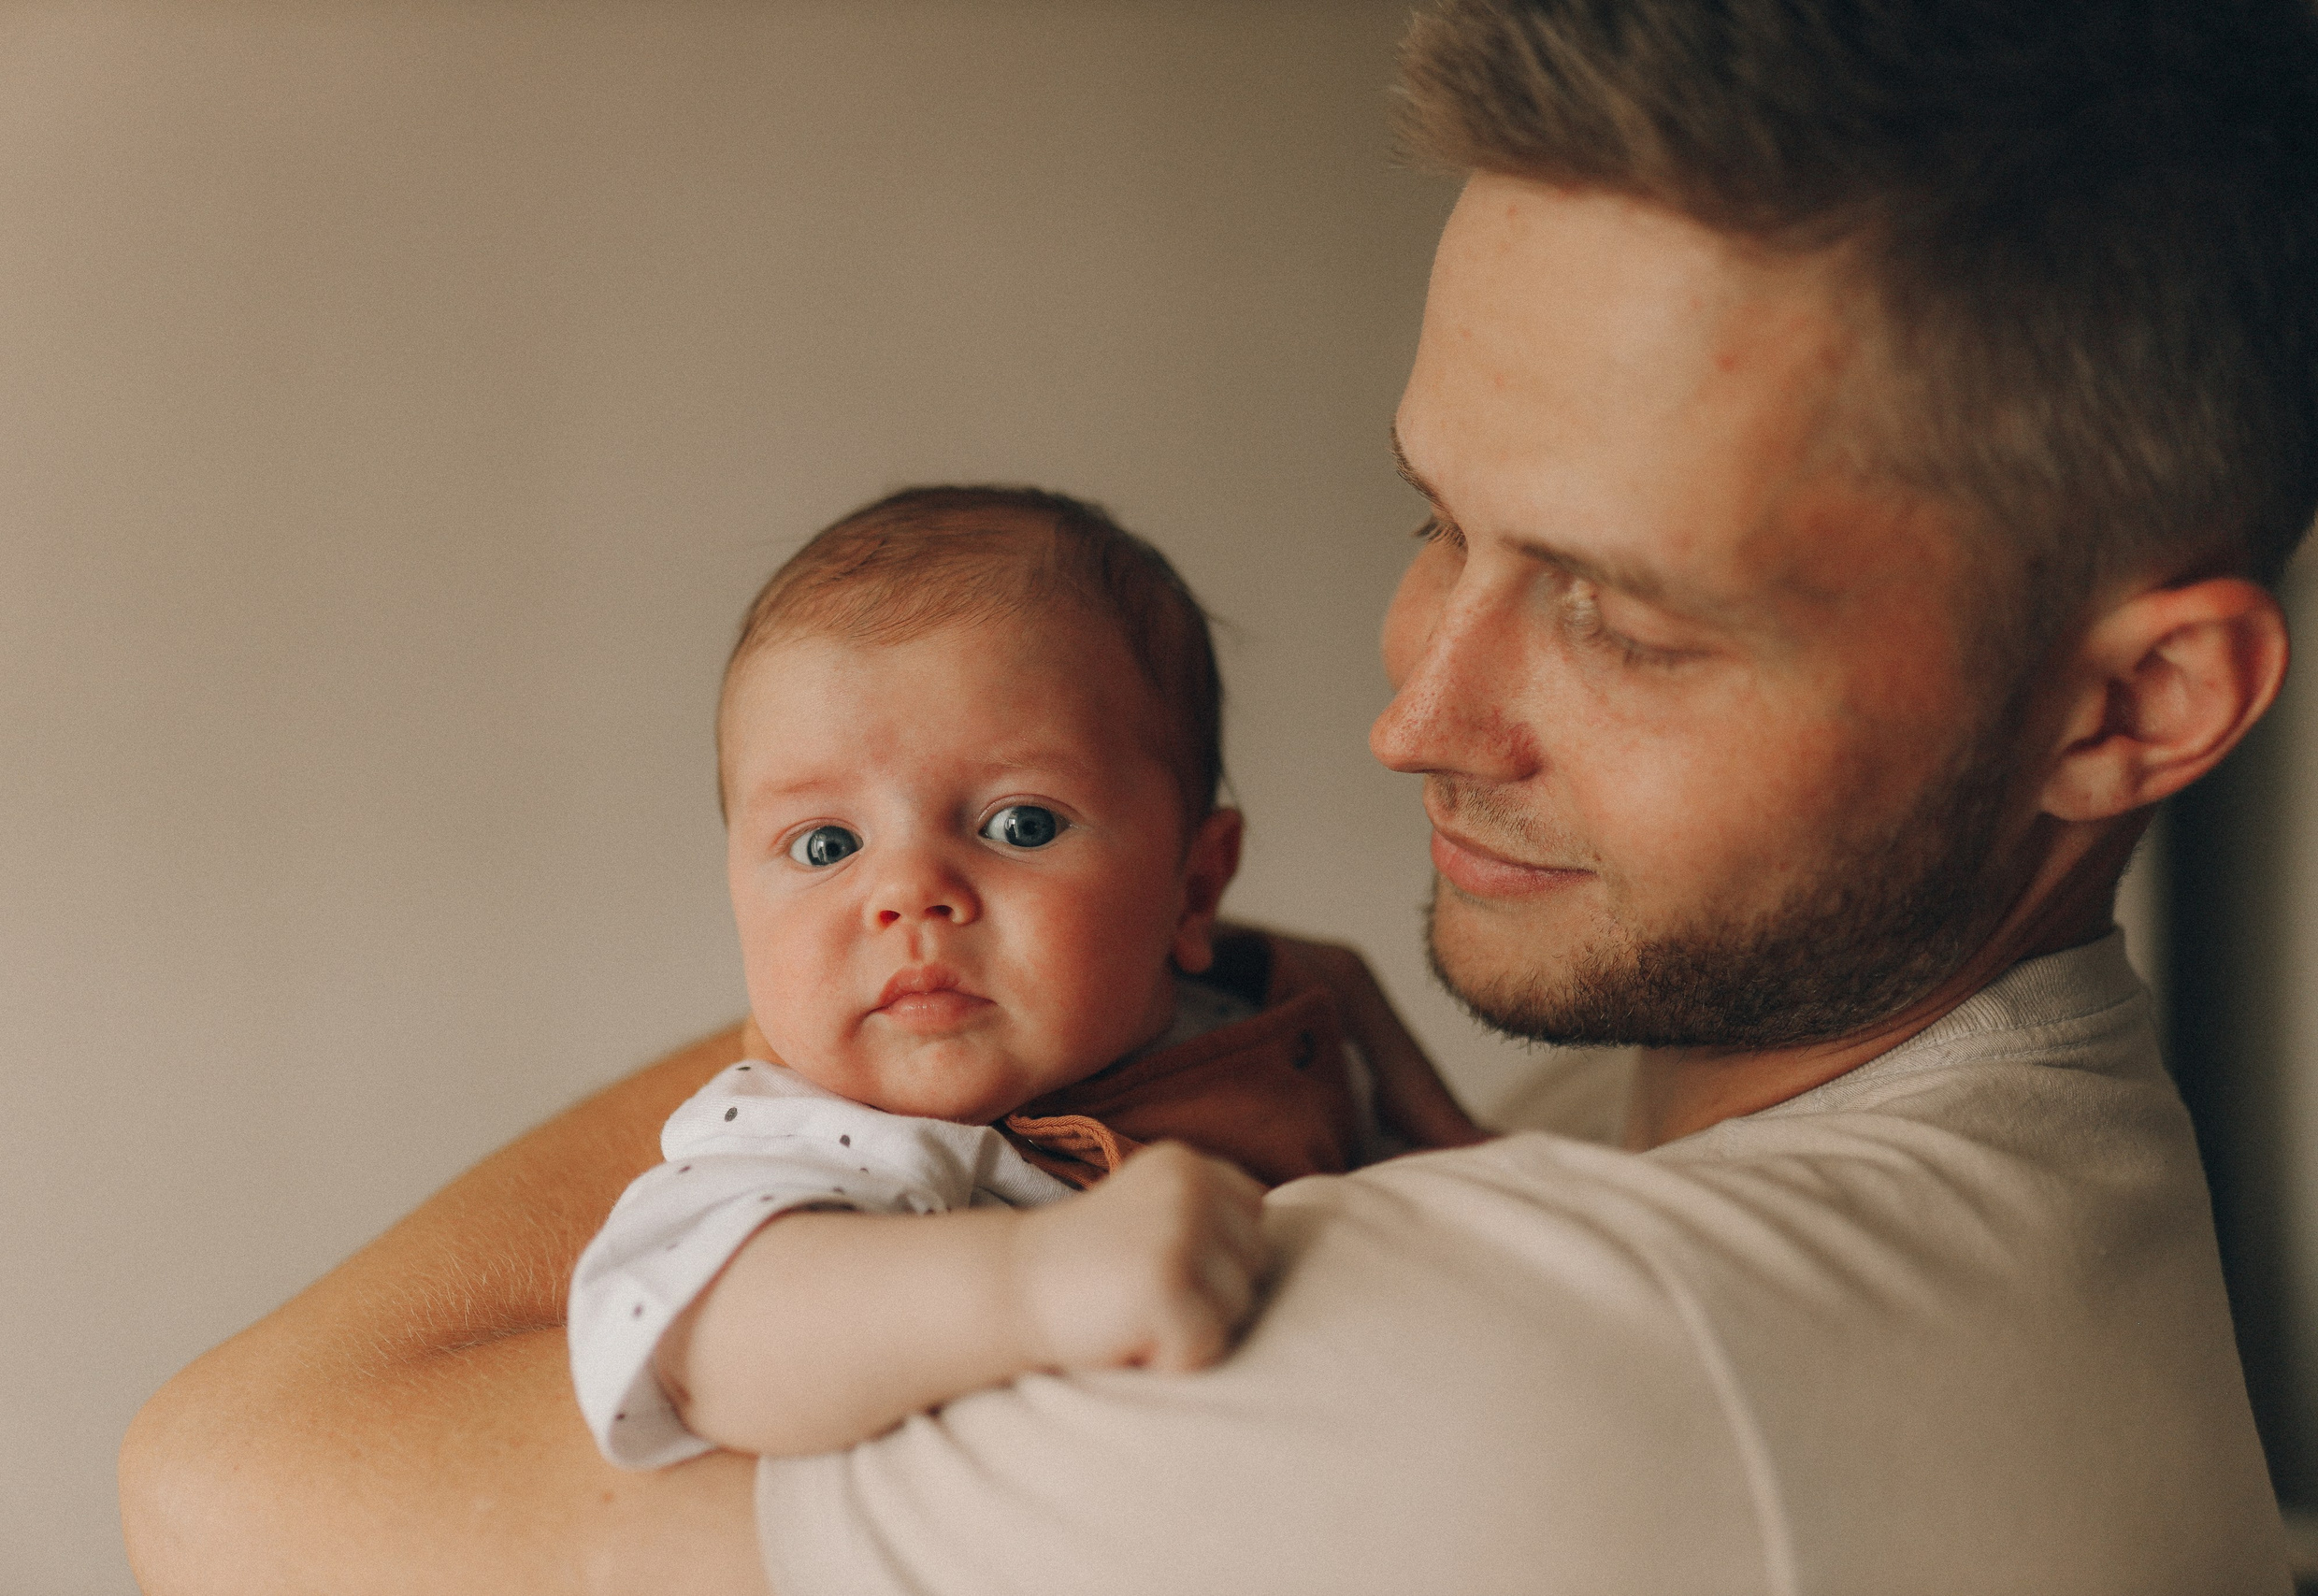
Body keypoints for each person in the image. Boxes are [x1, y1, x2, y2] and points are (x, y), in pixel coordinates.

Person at [119, 0, 2318, 1590]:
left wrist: (914, 956)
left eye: (1622, 614)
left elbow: (231, 1482)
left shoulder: (1567, 1367)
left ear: (2128, 704)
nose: (1417, 714)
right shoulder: (1901, 1177)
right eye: (1430, 523)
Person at [569, 483, 1479, 1466]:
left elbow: (1334, 997)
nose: (909, 895)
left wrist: (1449, 1136)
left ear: (1194, 887)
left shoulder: (1255, 1007)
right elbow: (708, 1349)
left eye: (1021, 825)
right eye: (826, 843)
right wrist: (1033, 1284)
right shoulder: (819, 1140)